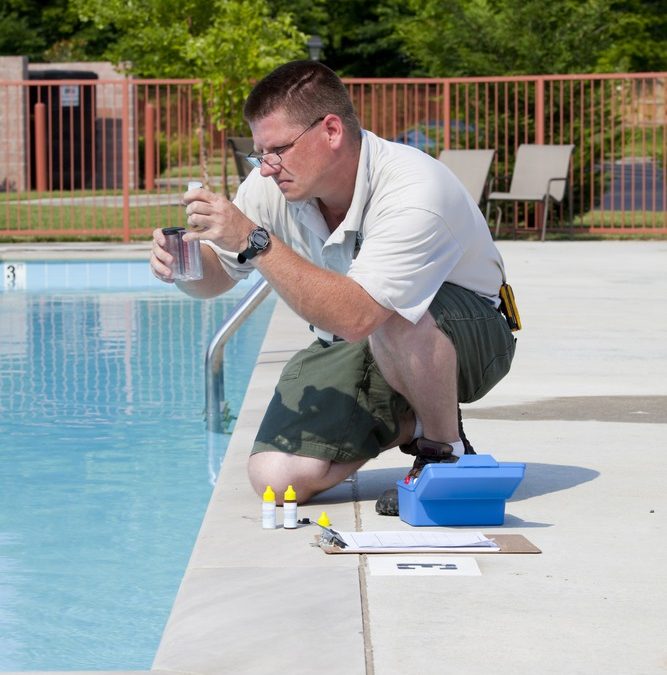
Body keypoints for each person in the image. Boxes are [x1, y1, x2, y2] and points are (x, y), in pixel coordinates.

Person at [150, 60, 516, 516]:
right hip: (360, 339)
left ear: (331, 131)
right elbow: (218, 276)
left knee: (395, 313)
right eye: (259, 153)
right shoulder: (273, 185)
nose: (266, 168)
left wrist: (254, 240)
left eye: (277, 150)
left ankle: (444, 449)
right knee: (275, 480)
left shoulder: (413, 189)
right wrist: (182, 268)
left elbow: (359, 315)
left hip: (468, 338)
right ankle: (407, 417)